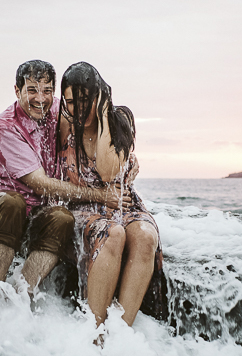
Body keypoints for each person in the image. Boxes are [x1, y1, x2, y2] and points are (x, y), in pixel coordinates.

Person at [0, 59, 129, 295]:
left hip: (38, 213)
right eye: (32, 90)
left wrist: (127, 156)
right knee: (13, 202)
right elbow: (39, 184)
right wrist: (100, 195)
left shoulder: (58, 111)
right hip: (0, 211)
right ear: (17, 91)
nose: (40, 99)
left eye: (47, 91)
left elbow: (92, 127)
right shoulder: (5, 126)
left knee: (62, 216)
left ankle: (21, 295)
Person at [57, 61, 164, 336]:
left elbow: (108, 170)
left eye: (85, 100)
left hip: (125, 204)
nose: (78, 109)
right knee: (113, 234)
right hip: (84, 207)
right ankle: (94, 331)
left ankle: (120, 334)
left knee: (145, 237)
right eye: (71, 102)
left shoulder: (120, 120)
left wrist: (104, 114)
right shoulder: (65, 124)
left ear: (99, 94)